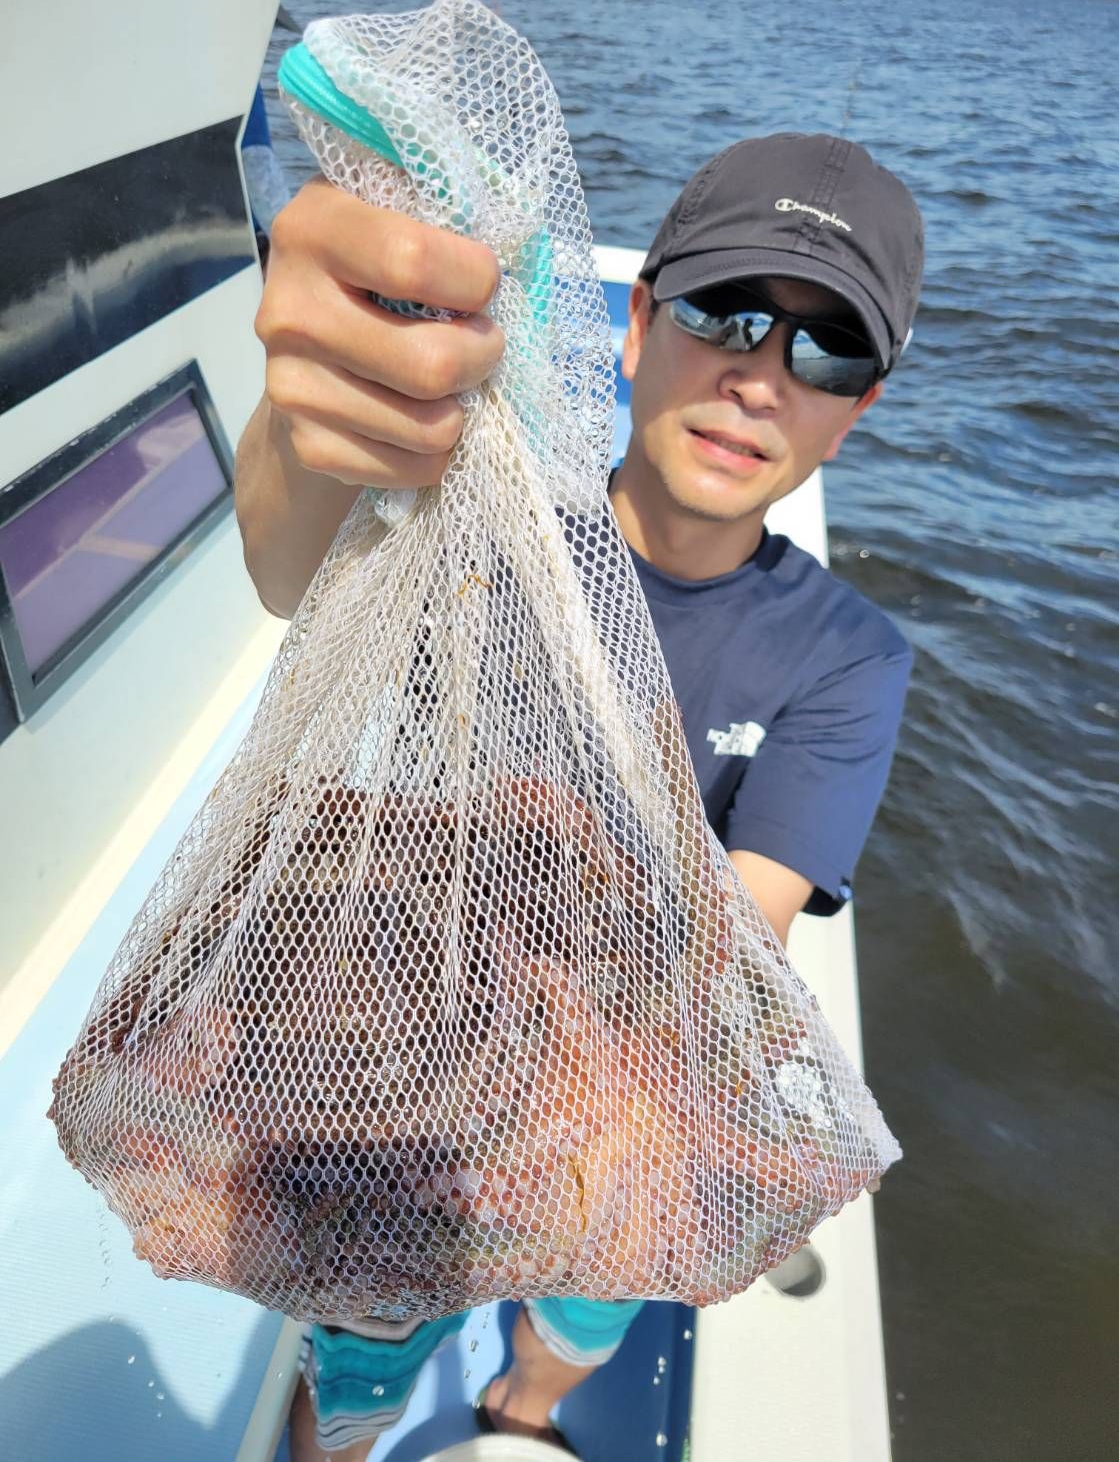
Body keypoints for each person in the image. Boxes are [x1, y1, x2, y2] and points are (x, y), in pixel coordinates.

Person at [234, 130, 924, 1461]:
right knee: (364, 1345)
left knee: (591, 1300)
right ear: (639, 323)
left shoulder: (849, 658)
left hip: (629, 1082)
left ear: (857, 408)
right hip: (412, 1054)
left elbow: (744, 928)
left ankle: (527, 1406)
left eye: (828, 354)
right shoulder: (479, 524)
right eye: (727, 314)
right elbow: (287, 559)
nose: (760, 378)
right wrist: (317, 408)